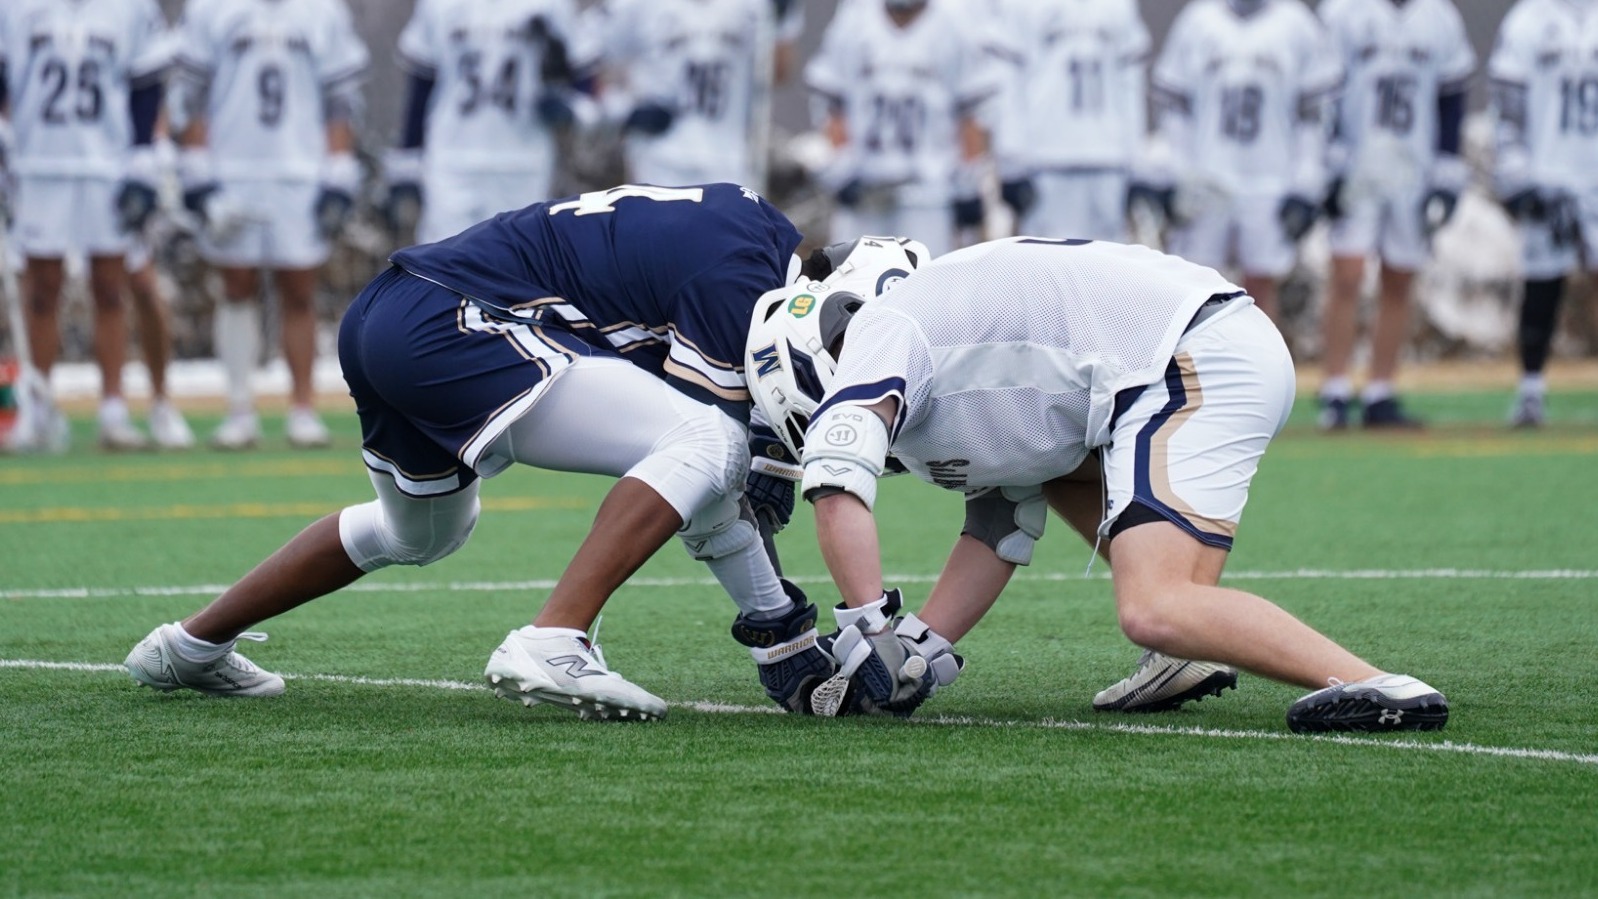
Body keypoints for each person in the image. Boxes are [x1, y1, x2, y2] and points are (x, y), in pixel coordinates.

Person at [123, 183, 923, 722]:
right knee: (709, 437)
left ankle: (190, 644)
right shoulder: (737, 280)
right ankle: (556, 635)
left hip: (388, 316)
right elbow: (717, 482)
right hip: (452, 320)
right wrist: (781, 632)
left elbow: (707, 491)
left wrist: (776, 620)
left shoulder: (746, 241)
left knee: (421, 533)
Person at [746, 235, 1449, 732]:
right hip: (1192, 351)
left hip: (1189, 354)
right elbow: (1003, 523)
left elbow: (836, 484)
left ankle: (1372, 683)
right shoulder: (950, 344)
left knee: (1156, 605)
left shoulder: (885, 327)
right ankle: (1184, 656)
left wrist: (869, 630)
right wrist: (920, 650)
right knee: (1071, 486)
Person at [171, 0, 369, 450]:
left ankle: (303, 408)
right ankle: (239, 410)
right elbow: (192, 94)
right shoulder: (210, 10)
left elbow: (341, 99)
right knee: (235, 286)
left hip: (299, 168)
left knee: (299, 290)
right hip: (234, 167)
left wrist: (338, 171)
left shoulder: (323, 12)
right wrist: (199, 174)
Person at [0, 0, 175, 452]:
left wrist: (141, 159)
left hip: (107, 164)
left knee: (112, 286)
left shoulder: (132, 8)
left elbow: (145, 84)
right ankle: (36, 406)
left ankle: (113, 410)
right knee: (41, 288)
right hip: (38, 163)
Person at [1315, 0, 1476, 430]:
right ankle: (1334, 386)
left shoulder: (1439, 16)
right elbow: (1324, 90)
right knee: (1347, 273)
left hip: (1412, 165)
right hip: (1359, 164)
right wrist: (1328, 162)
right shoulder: (1343, 13)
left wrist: (1446, 169)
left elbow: (1451, 97)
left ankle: (1380, 390)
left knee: (1400, 276)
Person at [1141, 0, 1341, 325]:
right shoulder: (1197, 21)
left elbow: (1314, 114)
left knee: (1261, 285)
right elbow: (1174, 108)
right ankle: (1196, 371)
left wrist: (1305, 182)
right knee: (1194, 285)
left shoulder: (1297, 24)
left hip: (1270, 177)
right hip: (1207, 176)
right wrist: (1176, 173)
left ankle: (1262, 370)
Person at [382, 0, 595, 247]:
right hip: (452, 157)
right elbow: (422, 83)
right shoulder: (438, 5)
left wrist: (569, 106)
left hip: (522, 158)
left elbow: (583, 72)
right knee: (444, 260)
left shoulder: (552, 6)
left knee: (518, 261)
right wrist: (408, 158)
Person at [804, 0, 1002, 256]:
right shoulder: (855, 19)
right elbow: (832, 104)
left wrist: (968, 185)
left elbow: (972, 114)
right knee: (851, 285)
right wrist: (842, 168)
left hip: (928, 194)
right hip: (865, 190)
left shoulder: (957, 22)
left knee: (926, 284)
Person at [1490, 0, 1598, 428]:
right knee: (1542, 281)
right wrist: (1517, 176)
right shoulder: (1529, 20)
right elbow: (1508, 104)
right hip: (1549, 170)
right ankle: (1531, 388)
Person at [986, 0, 1152, 243]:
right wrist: (1012, 160)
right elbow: (1008, 87)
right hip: (1045, 158)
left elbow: (1131, 88)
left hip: (1107, 157)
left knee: (1107, 265)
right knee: (1045, 263)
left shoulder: (1119, 7)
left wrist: (1138, 162)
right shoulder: (1020, 6)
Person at [596, 0, 801, 191]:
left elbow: (776, 73)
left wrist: (781, 23)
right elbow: (587, 58)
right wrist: (623, 110)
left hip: (729, 160)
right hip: (658, 160)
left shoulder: (754, 5)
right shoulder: (638, 5)